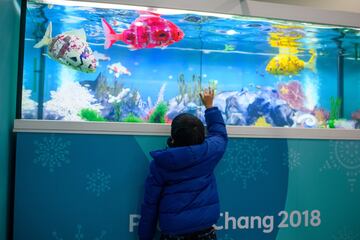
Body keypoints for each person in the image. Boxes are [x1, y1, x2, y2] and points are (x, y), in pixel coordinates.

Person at [138, 88, 228, 240]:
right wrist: (210, 107)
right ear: (201, 135)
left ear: (173, 137)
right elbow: (220, 134)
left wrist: (145, 236)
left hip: (174, 234)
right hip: (205, 231)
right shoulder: (210, 152)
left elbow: (150, 204)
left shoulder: (161, 164)